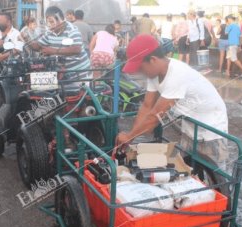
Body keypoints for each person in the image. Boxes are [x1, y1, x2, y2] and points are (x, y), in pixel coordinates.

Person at [115, 35, 228, 170]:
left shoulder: (177, 74)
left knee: (216, 178)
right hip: (190, 127)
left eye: (140, 68)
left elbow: (154, 117)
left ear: (153, 60)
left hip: (210, 130)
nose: (140, 72)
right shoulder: (154, 74)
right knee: (188, 170)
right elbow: (147, 106)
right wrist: (130, 137)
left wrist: (129, 136)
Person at [29, 6, 91, 82]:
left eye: (52, 22)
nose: (50, 25)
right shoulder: (50, 32)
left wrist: (53, 51)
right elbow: (38, 46)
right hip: (63, 75)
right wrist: (26, 39)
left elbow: (76, 49)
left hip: (80, 74)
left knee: (75, 93)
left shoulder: (72, 29)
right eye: (48, 22)